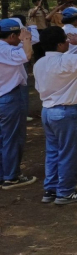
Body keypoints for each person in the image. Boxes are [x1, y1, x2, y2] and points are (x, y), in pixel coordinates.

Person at [34, 27, 77, 204]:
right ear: (60, 44)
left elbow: (39, 88)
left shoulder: (39, 63)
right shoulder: (68, 60)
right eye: (66, 41)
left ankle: (51, 189)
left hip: (48, 110)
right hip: (66, 111)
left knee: (53, 151)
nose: (68, 43)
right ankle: (65, 192)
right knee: (69, 152)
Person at [0, 19, 37, 189]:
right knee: (12, 138)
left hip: (5, 95)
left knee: (3, 137)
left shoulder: (6, 47)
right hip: (8, 96)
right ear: (12, 35)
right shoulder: (5, 49)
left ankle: (4, 173)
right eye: (19, 35)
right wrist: (27, 40)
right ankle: (11, 176)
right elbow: (27, 56)